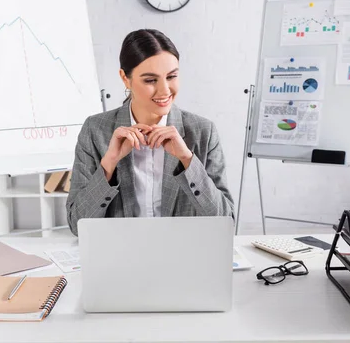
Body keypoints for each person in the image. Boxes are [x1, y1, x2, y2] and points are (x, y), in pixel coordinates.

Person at [66, 29, 234, 236]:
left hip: (183, 254)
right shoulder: (95, 130)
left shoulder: (203, 132)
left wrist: (187, 160)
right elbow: (77, 225)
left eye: (171, 76)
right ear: (125, 79)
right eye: (150, 80)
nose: (165, 91)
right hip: (119, 255)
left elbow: (226, 222)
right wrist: (108, 164)